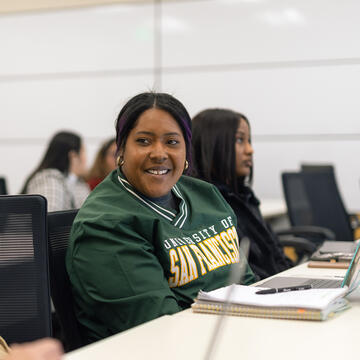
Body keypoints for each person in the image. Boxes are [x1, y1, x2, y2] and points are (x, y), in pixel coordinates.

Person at [66, 92, 256, 343]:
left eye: (172, 142)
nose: (159, 152)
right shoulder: (105, 224)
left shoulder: (205, 195)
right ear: (121, 148)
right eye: (143, 141)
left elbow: (248, 284)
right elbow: (159, 328)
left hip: (233, 337)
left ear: (187, 150)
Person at [192, 109, 292, 280]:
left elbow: (274, 252)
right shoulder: (204, 204)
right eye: (240, 140)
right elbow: (239, 272)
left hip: (276, 287)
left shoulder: (245, 196)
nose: (250, 150)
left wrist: (293, 277)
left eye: (249, 141)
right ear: (212, 144)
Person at [21, 131, 90, 212]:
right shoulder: (49, 180)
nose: (86, 159)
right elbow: (48, 218)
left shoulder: (77, 182)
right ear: (73, 156)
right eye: (83, 152)